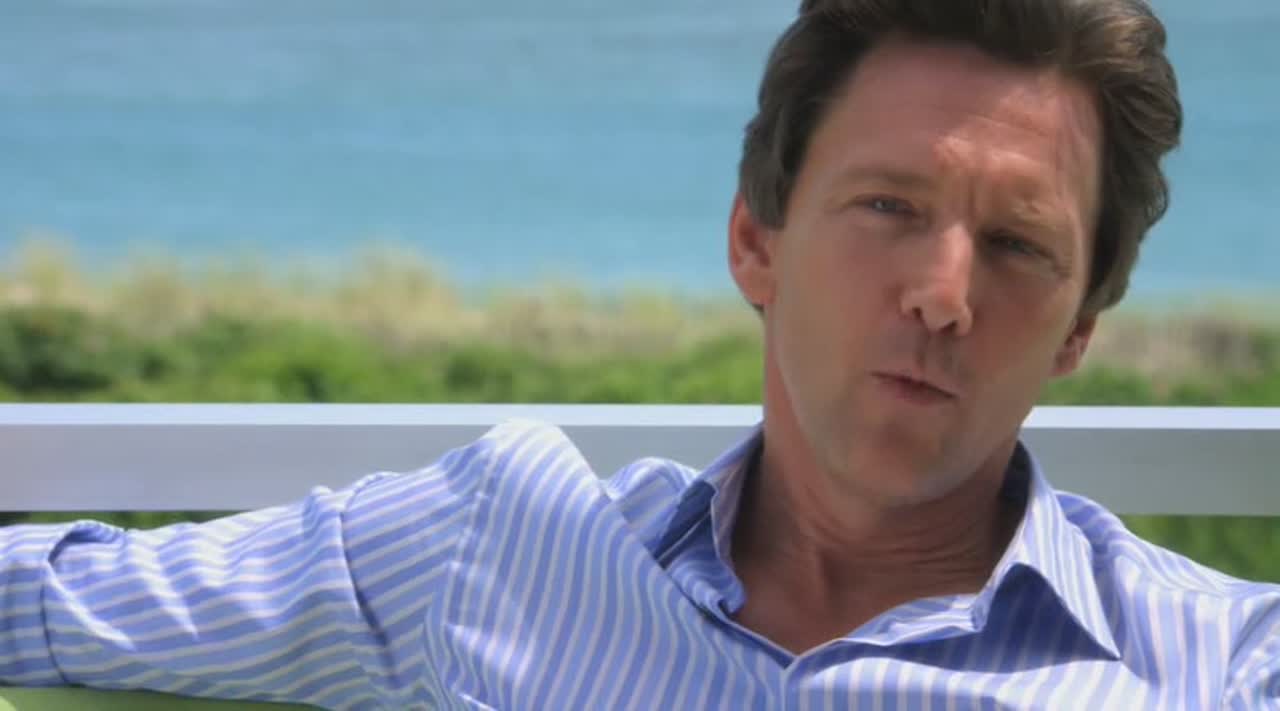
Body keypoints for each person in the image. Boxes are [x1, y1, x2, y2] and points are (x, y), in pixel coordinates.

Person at [2, 0, 1278, 708]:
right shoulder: (496, 542)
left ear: (1077, 328)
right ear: (753, 243)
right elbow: (58, 602)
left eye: (1014, 246)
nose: (943, 295)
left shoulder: (1210, 669)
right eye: (887, 206)